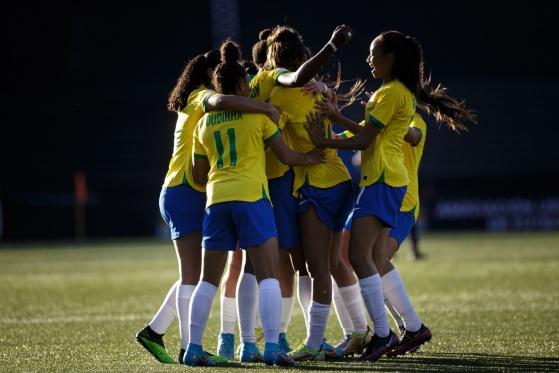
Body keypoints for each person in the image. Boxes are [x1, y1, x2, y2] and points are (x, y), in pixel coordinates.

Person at [306, 30, 475, 362]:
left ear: (391, 58)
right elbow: (373, 135)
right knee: (370, 258)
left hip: (383, 181)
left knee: (359, 257)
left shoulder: (390, 94)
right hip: (387, 180)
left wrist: (323, 141)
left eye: (374, 53)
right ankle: (407, 329)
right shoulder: (396, 92)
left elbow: (365, 142)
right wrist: (336, 118)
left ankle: (383, 335)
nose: (369, 59)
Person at [135, 49, 281, 365]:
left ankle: (156, 331)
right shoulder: (203, 96)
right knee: (194, 276)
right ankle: (191, 349)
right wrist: (264, 107)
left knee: (198, 275)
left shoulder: (194, 99)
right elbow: (222, 101)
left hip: (187, 190)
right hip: (186, 190)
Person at [184, 40, 324, 367]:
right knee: (268, 276)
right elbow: (286, 156)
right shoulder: (259, 119)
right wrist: (310, 157)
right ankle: (272, 347)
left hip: (217, 201)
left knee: (209, 280)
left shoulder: (203, 123)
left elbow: (198, 173)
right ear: (241, 85)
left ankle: (192, 347)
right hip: (252, 198)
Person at [234, 24, 354, 361]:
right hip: (287, 179)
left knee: (260, 264)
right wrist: (331, 46)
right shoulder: (282, 80)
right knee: (306, 264)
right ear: (298, 57)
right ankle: (298, 338)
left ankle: (244, 341)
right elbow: (297, 79)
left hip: (251, 178)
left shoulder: (252, 86)